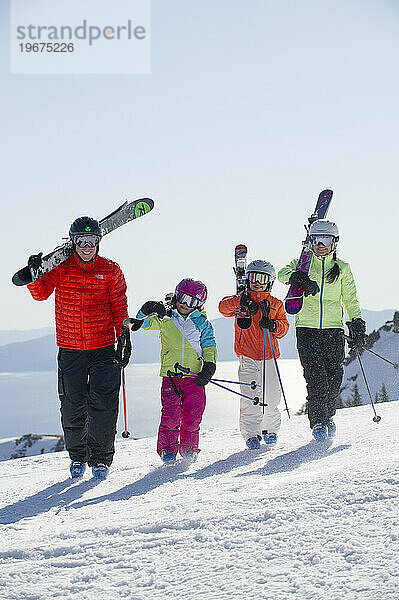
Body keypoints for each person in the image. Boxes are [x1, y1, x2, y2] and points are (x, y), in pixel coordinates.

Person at [26, 216, 130, 479]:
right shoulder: (61, 268)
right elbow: (40, 294)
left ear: (98, 241)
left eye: (92, 240)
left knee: (103, 407)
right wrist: (36, 274)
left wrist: (124, 336)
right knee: (72, 406)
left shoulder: (110, 269)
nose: (86, 246)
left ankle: (101, 460)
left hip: (104, 347)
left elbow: (119, 306)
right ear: (73, 243)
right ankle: (77, 458)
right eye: (81, 241)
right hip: (70, 349)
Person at [278, 219, 366, 441]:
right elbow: (282, 273)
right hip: (306, 329)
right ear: (311, 241)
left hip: (333, 330)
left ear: (334, 242)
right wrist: (297, 277)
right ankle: (318, 421)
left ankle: (328, 415)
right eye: (316, 240)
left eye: (326, 240)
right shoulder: (304, 264)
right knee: (316, 377)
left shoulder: (343, 268)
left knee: (334, 378)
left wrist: (356, 321)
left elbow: (351, 299)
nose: (321, 245)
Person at [130, 278, 217, 465]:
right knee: (171, 415)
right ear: (176, 295)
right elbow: (140, 323)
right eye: (183, 298)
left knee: (193, 415)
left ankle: (189, 448)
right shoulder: (166, 318)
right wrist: (147, 308)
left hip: (195, 377)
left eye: (192, 301)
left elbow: (209, 345)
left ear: (199, 304)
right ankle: (167, 450)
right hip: (171, 376)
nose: (185, 304)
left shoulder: (203, 324)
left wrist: (209, 365)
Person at [219, 260, 289, 450]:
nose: (257, 282)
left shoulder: (275, 304)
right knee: (251, 396)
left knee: (272, 396)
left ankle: (270, 429)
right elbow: (222, 308)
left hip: (269, 357)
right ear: (247, 279)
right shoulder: (240, 300)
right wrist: (240, 300)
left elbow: (284, 328)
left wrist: (273, 326)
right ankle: (252, 434)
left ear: (270, 282)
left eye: (262, 278)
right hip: (247, 357)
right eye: (253, 277)